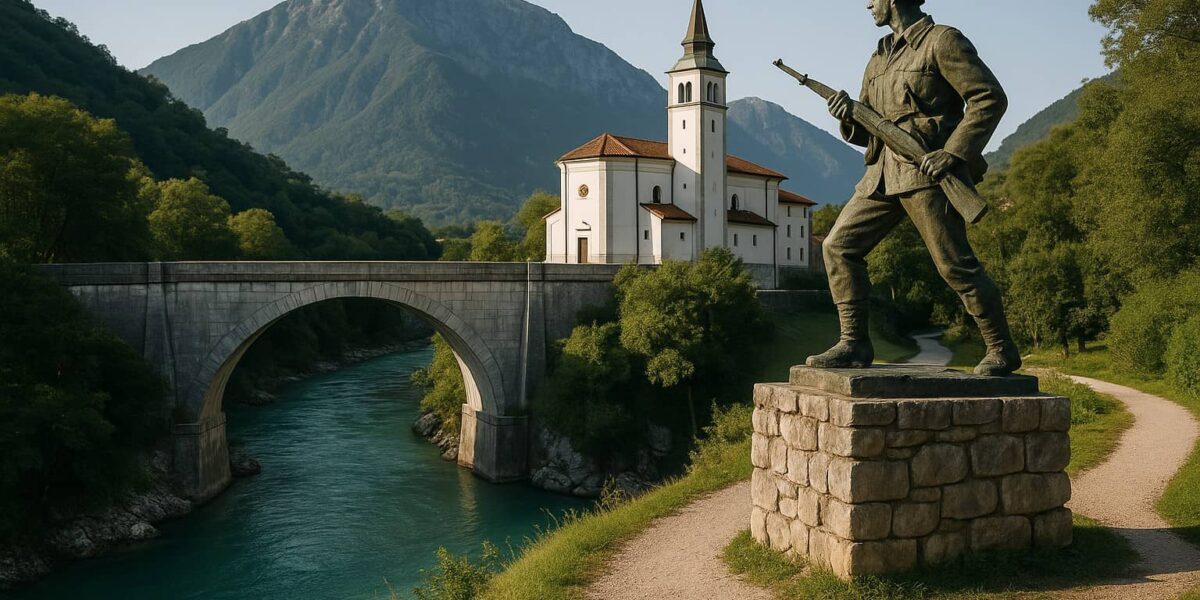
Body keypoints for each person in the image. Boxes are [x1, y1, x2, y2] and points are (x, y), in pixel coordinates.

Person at [807, 0, 1021, 376]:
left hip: (926, 172)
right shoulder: (878, 58)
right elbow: (869, 127)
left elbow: (989, 98)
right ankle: (854, 342)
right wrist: (847, 116)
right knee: (837, 247)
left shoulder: (943, 42)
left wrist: (953, 153)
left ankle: (1001, 349)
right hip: (882, 174)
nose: (868, 4)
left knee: (954, 264)